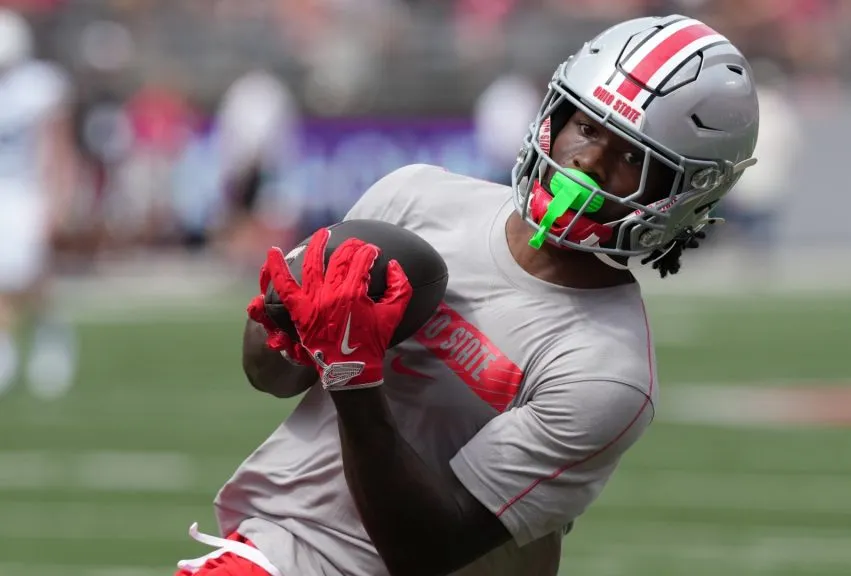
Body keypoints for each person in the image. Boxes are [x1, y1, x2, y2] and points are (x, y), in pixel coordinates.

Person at [176, 14, 759, 576]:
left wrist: (353, 372)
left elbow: (425, 551)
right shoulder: (415, 197)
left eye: (632, 156)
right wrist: (293, 316)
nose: (589, 162)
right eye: (585, 127)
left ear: (684, 192)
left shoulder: (607, 372)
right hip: (280, 552)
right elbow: (269, 374)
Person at [0, 9, 79, 399]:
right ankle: (6, 348)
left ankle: (51, 333)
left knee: (30, 276)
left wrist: (58, 198)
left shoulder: (38, 86)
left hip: (28, 191)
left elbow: (58, 148)